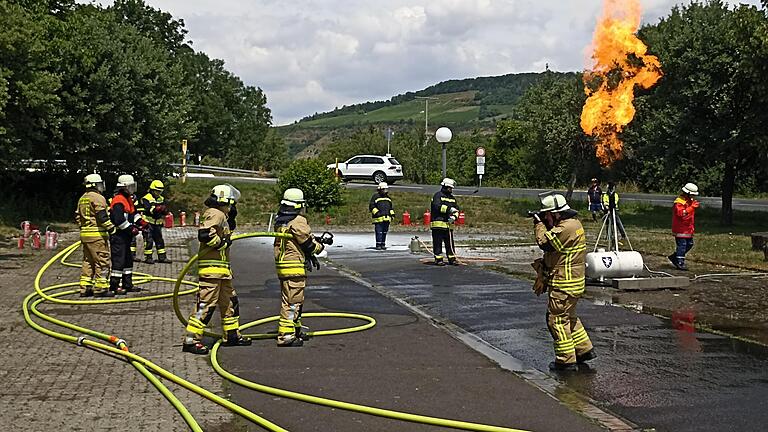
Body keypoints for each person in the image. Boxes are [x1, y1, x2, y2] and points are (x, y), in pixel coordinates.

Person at [183, 184, 251, 354]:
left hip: (221, 270)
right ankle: (191, 339)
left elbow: (223, 231)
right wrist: (222, 244)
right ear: (224, 201)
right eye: (231, 203)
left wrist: (232, 220)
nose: (232, 206)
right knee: (206, 305)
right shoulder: (215, 213)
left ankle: (232, 334)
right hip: (211, 269)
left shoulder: (222, 215)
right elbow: (205, 235)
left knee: (229, 302)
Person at [533, 193, 595, 372]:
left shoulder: (564, 228)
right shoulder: (575, 224)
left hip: (563, 284)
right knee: (570, 317)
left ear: (556, 213)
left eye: (547, 215)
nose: (546, 218)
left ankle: (565, 361)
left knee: (556, 320)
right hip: (574, 283)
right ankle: (584, 351)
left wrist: (538, 224)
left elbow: (544, 243)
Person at [273, 188, 326, 347]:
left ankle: (294, 329)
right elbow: (308, 244)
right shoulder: (297, 221)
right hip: (294, 267)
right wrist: (319, 247)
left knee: (291, 300)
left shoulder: (280, 221)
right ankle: (286, 335)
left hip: (283, 267)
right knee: (293, 301)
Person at [75, 174, 116, 297]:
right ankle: (101, 288)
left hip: (85, 235)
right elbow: (102, 215)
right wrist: (111, 229)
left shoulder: (82, 198)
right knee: (102, 261)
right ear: (95, 185)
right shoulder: (98, 198)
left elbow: (77, 216)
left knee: (88, 261)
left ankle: (85, 288)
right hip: (97, 235)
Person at [109, 174, 144, 295]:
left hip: (126, 236)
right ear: (124, 187)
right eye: (130, 186)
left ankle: (127, 284)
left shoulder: (128, 199)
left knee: (128, 261)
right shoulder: (118, 200)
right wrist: (131, 229)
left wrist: (141, 222)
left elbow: (133, 214)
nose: (132, 188)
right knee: (118, 261)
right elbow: (118, 220)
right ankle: (114, 285)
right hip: (118, 236)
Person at [669, 183, 700, 271]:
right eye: (692, 194)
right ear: (687, 193)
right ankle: (679, 262)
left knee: (690, 244)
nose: (694, 196)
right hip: (680, 228)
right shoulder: (679, 202)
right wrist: (692, 207)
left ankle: (675, 257)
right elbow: (681, 213)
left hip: (688, 228)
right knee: (682, 245)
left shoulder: (689, 201)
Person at [430, 178, 460, 266]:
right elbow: (437, 207)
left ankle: (452, 259)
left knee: (450, 244)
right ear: (445, 186)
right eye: (450, 188)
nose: (451, 190)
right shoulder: (438, 196)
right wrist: (449, 209)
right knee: (437, 243)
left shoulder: (452, 198)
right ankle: (438, 259)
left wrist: (454, 217)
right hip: (438, 224)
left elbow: (457, 209)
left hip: (448, 225)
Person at [141, 180, 171, 264]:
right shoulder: (146, 198)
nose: (158, 193)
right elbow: (147, 209)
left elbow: (165, 209)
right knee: (149, 241)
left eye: (160, 191)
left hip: (157, 223)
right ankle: (148, 257)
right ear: (152, 190)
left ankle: (162, 257)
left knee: (159, 241)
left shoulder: (161, 198)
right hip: (148, 223)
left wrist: (165, 210)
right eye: (157, 191)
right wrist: (156, 209)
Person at [369, 182, 395, 250]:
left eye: (386, 189)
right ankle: (378, 244)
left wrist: (392, 214)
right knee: (379, 232)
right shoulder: (375, 197)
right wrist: (377, 213)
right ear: (380, 189)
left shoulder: (388, 198)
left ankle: (383, 244)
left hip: (386, 219)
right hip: (378, 219)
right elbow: (371, 206)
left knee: (384, 232)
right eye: (384, 189)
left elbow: (390, 207)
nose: (385, 191)